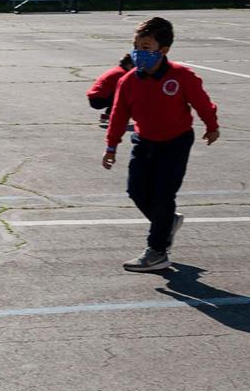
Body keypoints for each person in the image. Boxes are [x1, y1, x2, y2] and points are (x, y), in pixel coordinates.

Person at [102, 17, 220, 273]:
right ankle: (167, 222)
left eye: (145, 47)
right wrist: (111, 146)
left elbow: (202, 102)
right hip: (143, 141)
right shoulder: (128, 80)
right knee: (136, 191)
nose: (138, 52)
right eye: (136, 46)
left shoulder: (181, 76)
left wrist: (211, 126)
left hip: (175, 142)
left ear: (163, 50)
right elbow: (118, 115)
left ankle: (157, 251)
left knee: (164, 195)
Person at [87, 53, 134, 125]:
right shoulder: (122, 73)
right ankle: (117, 116)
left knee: (123, 95)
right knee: (127, 97)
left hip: (96, 98)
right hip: (99, 99)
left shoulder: (118, 70)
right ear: (129, 65)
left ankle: (108, 115)